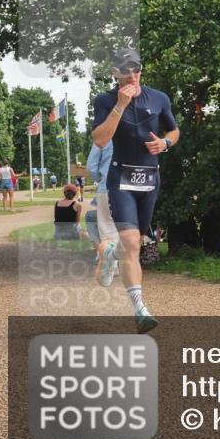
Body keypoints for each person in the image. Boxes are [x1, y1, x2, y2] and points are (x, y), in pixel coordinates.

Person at [92, 48, 179, 333]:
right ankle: (140, 310)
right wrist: (120, 104)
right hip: (121, 178)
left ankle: (110, 251)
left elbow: (174, 131)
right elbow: (101, 140)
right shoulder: (105, 100)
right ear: (114, 73)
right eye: (125, 70)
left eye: (136, 69)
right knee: (132, 245)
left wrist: (165, 144)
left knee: (136, 243)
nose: (131, 75)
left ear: (141, 69)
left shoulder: (159, 98)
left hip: (150, 179)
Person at [86, 140, 118, 277]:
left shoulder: (104, 137)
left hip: (108, 186)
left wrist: (102, 178)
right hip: (133, 187)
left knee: (107, 228)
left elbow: (91, 167)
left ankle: (112, 264)